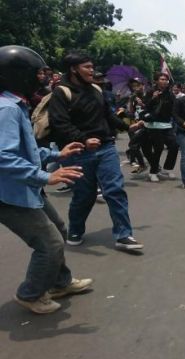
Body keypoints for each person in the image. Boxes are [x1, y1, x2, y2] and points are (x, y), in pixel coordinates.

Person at [0, 45, 93, 314]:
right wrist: (46, 175)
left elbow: (25, 149)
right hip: (9, 193)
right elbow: (3, 156)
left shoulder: (15, 104)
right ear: (17, 75)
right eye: (38, 74)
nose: (44, 79)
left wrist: (56, 153)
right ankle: (30, 293)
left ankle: (59, 282)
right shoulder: (6, 109)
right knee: (49, 243)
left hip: (24, 187)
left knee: (58, 229)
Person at [48, 51, 143, 251]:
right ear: (74, 69)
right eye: (87, 67)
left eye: (92, 67)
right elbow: (59, 124)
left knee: (115, 190)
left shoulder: (96, 90)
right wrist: (83, 139)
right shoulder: (62, 92)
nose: (92, 71)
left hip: (106, 147)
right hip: (78, 152)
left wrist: (128, 127)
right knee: (85, 195)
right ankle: (75, 230)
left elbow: (107, 115)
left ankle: (123, 235)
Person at [137, 72, 179, 182]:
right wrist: (153, 98)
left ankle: (167, 168)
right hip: (154, 125)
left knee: (174, 145)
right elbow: (145, 107)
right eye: (162, 79)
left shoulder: (170, 94)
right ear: (156, 81)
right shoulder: (150, 92)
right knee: (158, 148)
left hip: (167, 125)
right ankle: (153, 172)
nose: (164, 81)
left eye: (166, 79)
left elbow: (175, 108)